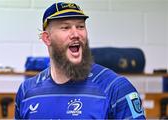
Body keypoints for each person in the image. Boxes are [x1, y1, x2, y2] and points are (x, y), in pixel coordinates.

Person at [15, 1, 146, 119]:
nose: (76, 34)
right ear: (47, 38)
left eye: (80, 26)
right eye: (65, 27)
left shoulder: (116, 88)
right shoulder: (27, 91)